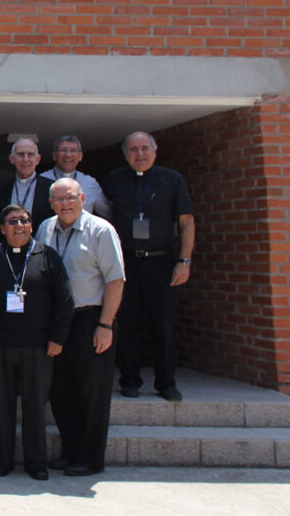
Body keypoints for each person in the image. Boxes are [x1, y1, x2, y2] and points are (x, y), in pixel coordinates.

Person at [37, 177, 126, 477]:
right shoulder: (45, 228)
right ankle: (71, 452)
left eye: (70, 198)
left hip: (90, 318)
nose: (65, 204)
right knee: (62, 390)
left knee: (91, 392)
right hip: (57, 322)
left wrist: (106, 324)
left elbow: (116, 280)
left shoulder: (101, 230)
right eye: (59, 199)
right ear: (51, 203)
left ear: (83, 199)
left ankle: (90, 459)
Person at [102, 130, 195, 401]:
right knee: (125, 322)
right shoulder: (114, 180)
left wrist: (184, 261)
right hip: (125, 261)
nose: (139, 154)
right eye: (133, 149)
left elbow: (187, 222)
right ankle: (130, 379)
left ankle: (166, 383)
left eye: (145, 148)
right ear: (125, 154)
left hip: (160, 261)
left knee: (163, 324)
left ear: (155, 151)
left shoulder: (172, 180)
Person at [0, 204, 72, 479]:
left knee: (35, 406)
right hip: (0, 345)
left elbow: (65, 301)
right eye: (12, 221)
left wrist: (57, 338)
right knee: (2, 406)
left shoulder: (47, 256)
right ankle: (2, 460)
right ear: (3, 228)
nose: (19, 226)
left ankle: (36, 462)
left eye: (24, 220)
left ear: (32, 226)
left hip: (38, 346)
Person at [0, 138, 53, 244]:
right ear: (12, 159)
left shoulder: (50, 188)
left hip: (39, 247)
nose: (26, 159)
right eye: (21, 154)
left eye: (30, 154)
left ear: (38, 159)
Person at [39, 134, 110, 217]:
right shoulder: (41, 180)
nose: (68, 155)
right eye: (63, 150)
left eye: (73, 151)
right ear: (54, 155)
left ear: (80, 156)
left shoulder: (90, 183)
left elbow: (107, 212)